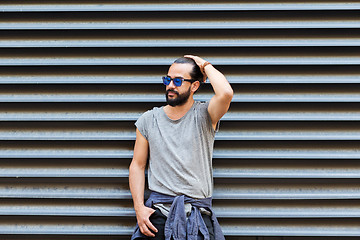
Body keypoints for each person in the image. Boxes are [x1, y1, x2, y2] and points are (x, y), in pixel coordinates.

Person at [129, 55, 233, 240]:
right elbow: (137, 165)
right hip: (157, 216)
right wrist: (139, 208)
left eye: (178, 81)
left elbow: (225, 93)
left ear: (194, 86)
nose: (170, 86)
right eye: (167, 79)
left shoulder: (205, 115)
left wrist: (204, 65)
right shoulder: (148, 120)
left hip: (197, 216)